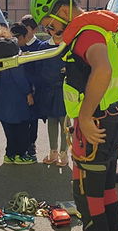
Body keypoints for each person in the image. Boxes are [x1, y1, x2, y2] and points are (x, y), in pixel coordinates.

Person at [30, 0, 118, 230]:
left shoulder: (86, 34)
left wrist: (85, 116)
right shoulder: (103, 29)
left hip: (96, 121)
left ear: (63, 11)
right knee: (106, 190)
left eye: (50, 24)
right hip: (114, 116)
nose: (51, 31)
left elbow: (103, 69)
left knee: (86, 195)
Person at [0, 24, 36, 164]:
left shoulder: (3, 51)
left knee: (9, 129)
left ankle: (9, 155)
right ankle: (20, 155)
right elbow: (19, 77)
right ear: (21, 37)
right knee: (21, 128)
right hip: (17, 98)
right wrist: (28, 93)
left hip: (4, 97)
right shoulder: (15, 52)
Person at [17, 17, 51, 160]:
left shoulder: (40, 46)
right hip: (20, 87)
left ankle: (31, 144)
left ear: (34, 29)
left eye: (27, 28)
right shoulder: (17, 45)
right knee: (20, 118)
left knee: (33, 118)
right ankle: (21, 145)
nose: (24, 31)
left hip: (36, 89)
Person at [37, 31, 68, 166]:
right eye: (52, 28)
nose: (56, 32)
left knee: (65, 122)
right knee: (51, 121)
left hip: (65, 90)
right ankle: (53, 152)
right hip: (48, 90)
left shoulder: (68, 46)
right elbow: (39, 67)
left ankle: (64, 153)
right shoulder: (44, 46)